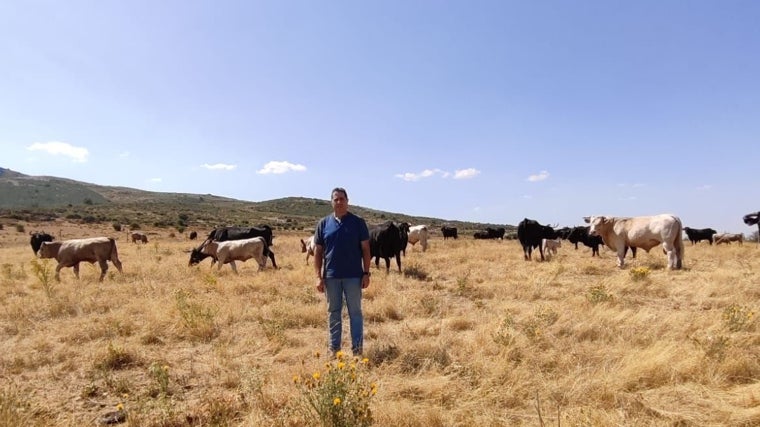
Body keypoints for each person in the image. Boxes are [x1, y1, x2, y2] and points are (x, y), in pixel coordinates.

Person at [314, 187, 371, 357]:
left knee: (355, 313)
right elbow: (318, 251)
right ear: (331, 202)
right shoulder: (323, 224)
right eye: (336, 199)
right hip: (331, 277)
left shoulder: (358, 222)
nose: (339, 202)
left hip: (353, 276)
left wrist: (366, 273)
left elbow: (366, 249)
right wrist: (318, 277)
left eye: (342, 199)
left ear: (347, 201)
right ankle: (334, 350)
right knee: (333, 313)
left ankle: (357, 350)